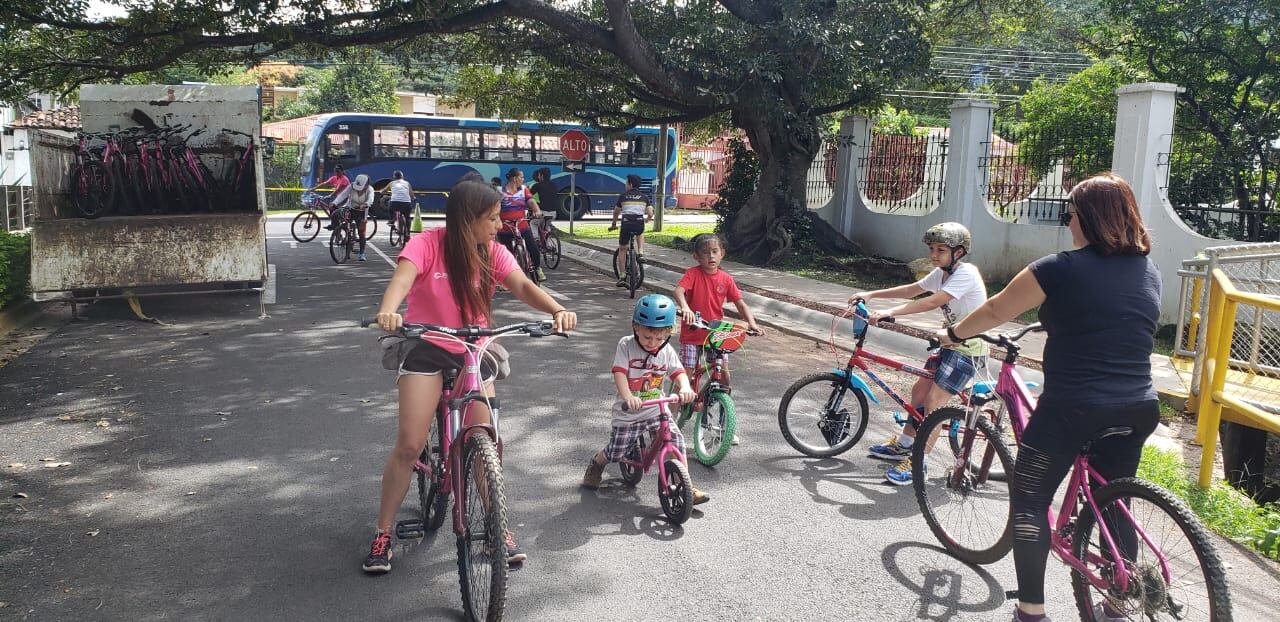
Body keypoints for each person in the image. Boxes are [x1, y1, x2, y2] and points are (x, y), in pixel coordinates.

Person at [938, 174, 1161, 622]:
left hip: (1073, 408)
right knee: (1113, 500)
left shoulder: (1059, 267)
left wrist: (954, 332)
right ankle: (1120, 598)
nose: (1067, 224)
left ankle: (1031, 610)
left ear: (1087, 219)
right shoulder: (1147, 268)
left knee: (1030, 499)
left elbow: (999, 308)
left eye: (1069, 214)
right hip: (1139, 406)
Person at [363, 180, 577, 574]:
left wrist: (556, 310)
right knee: (410, 446)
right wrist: (390, 310)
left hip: (473, 348)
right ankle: (382, 533)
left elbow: (523, 287)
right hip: (426, 345)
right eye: (492, 218)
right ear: (468, 219)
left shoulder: (492, 252)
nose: (498, 225)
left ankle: (498, 526)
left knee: (484, 441)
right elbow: (402, 280)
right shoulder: (427, 244)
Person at [849, 221, 988, 486]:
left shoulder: (966, 273)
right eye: (932, 249)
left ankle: (919, 461)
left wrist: (892, 312)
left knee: (934, 403)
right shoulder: (941, 273)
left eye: (941, 250)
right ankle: (904, 444)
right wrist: (871, 294)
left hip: (969, 349)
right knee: (918, 393)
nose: (934, 255)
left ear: (958, 252)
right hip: (948, 343)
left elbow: (933, 301)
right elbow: (913, 290)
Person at [581, 294, 709, 504]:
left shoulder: (666, 350)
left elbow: (678, 372)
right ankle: (597, 462)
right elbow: (620, 373)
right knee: (616, 451)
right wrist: (628, 396)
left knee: (676, 442)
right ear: (636, 328)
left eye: (659, 338)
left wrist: (685, 387)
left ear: (669, 334)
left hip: (655, 408)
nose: (653, 343)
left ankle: (686, 486)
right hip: (629, 412)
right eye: (647, 337)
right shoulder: (626, 345)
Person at [673, 233, 763, 446]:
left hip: (716, 334)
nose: (710, 256)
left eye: (715, 252)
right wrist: (685, 308)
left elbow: (741, 304)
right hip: (694, 332)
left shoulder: (726, 279)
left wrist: (752, 323)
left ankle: (725, 425)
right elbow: (679, 291)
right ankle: (669, 421)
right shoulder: (693, 274)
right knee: (684, 375)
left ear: (722, 253)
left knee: (724, 378)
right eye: (705, 253)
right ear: (696, 256)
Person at [497, 168, 545, 281]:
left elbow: (531, 201)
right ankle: (506, 278)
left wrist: (537, 210)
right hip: (505, 228)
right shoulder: (500, 191)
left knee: (533, 247)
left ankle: (537, 268)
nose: (523, 179)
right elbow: (495, 206)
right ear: (514, 179)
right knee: (505, 254)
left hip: (522, 226)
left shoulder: (524, 190)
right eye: (521, 177)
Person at [610, 174, 652, 286]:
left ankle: (622, 276)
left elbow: (616, 212)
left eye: (626, 182)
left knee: (623, 249)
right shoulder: (644, 197)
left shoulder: (623, 196)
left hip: (626, 224)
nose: (625, 185)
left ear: (630, 184)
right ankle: (641, 252)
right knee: (640, 230)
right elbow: (651, 213)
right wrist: (647, 219)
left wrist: (614, 224)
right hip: (638, 224)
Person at [327, 174, 375, 261]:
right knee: (335, 214)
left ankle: (361, 253)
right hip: (350, 208)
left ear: (366, 185)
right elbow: (342, 195)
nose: (357, 189)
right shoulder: (352, 185)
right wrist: (334, 203)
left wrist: (366, 204)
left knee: (362, 232)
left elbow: (371, 199)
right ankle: (338, 234)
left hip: (362, 211)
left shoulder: (370, 189)